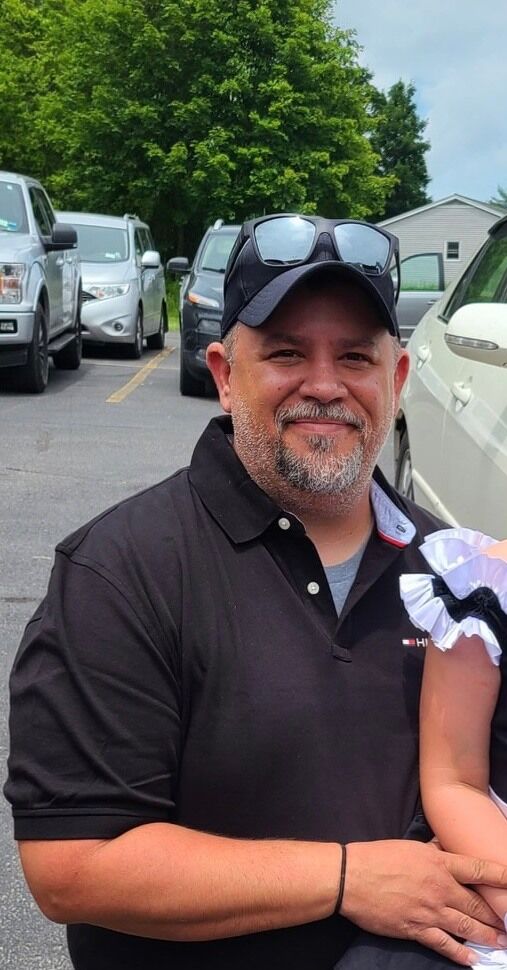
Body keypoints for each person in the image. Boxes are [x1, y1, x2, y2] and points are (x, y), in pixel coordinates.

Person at [5, 214, 507, 970]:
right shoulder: (123, 571)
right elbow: (73, 866)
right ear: (223, 374)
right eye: (285, 353)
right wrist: (348, 881)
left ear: (397, 379)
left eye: (355, 357)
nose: (324, 386)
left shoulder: (459, 582)